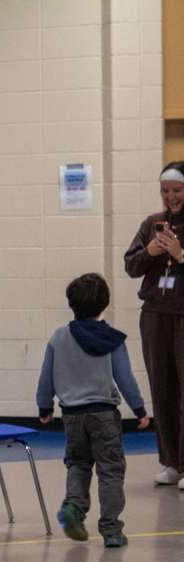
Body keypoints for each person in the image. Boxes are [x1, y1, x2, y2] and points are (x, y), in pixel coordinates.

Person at [36, 273, 149, 548]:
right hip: (104, 414)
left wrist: (44, 406)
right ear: (104, 304)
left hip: (72, 416)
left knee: (78, 463)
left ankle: (74, 507)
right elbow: (125, 378)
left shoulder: (59, 337)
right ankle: (111, 529)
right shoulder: (112, 339)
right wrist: (139, 409)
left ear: (71, 304)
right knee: (111, 470)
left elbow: (46, 376)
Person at [124, 161, 184, 488]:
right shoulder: (152, 224)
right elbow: (131, 265)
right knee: (162, 389)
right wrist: (150, 250)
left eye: (177, 191)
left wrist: (180, 253)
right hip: (155, 315)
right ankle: (170, 461)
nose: (170, 197)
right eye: (165, 191)